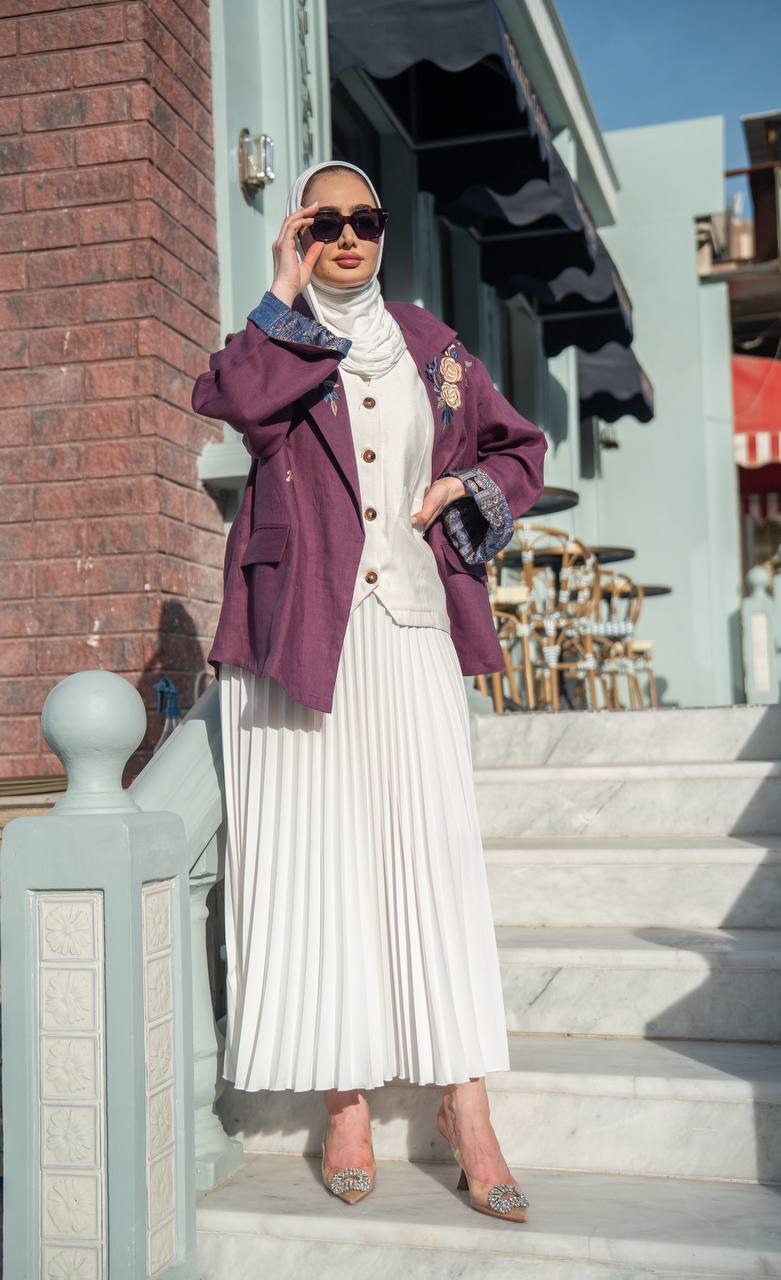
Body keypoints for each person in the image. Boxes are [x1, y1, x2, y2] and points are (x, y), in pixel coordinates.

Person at [191, 159, 548, 1221]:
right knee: (318, 858)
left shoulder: (431, 342)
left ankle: (464, 1103)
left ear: (385, 231)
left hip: (410, 629)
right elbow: (238, 399)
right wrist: (282, 289)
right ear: (301, 232)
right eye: (325, 221)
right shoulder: (278, 337)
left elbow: (518, 448)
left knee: (433, 861)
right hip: (301, 629)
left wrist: (464, 485)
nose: (348, 237)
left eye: (365, 220)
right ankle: (344, 1096)